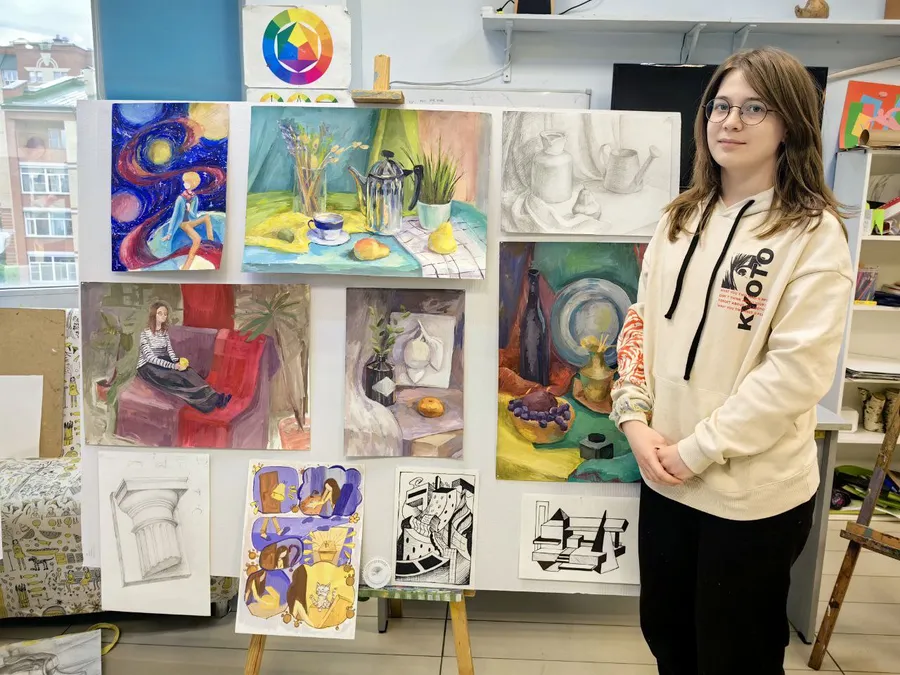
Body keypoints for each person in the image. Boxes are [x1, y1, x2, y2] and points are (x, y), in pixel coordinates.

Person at [610, 47, 853, 674]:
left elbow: (795, 374)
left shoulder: (813, 232)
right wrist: (633, 419)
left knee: (735, 657)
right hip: (665, 474)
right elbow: (640, 323)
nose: (731, 122)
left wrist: (697, 450)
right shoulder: (679, 217)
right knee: (668, 639)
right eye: (720, 106)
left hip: (750, 496)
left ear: (790, 124)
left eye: (754, 108)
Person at [136, 302, 231, 414]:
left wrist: (177, 361)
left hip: (163, 360)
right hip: (148, 368)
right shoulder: (145, 334)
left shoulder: (164, 332)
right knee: (176, 377)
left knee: (188, 371)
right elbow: (150, 358)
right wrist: (173, 366)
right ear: (153, 315)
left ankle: (216, 397)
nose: (163, 316)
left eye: (165, 314)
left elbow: (169, 351)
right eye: (160, 313)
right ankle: (208, 403)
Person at [161, 171, 215, 270]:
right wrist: (169, 233)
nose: (184, 183)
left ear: (193, 184)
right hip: (183, 224)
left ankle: (211, 242)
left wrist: (189, 210)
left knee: (207, 217)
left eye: (187, 182)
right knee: (197, 239)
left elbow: (194, 215)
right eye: (184, 181)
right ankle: (186, 266)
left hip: (190, 221)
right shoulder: (180, 199)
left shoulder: (194, 198)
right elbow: (175, 216)